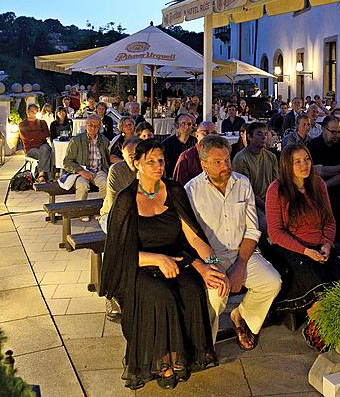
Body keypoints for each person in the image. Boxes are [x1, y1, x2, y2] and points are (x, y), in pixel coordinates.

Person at [99, 139, 228, 390]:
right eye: (150, 162)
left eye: (161, 160)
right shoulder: (126, 200)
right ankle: (161, 360)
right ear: (136, 164)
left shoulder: (174, 190)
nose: (158, 166)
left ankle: (182, 355)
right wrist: (158, 259)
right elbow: (118, 253)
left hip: (177, 259)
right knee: (162, 296)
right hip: (138, 266)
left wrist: (213, 264)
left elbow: (193, 236)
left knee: (191, 289)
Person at [185, 136, 281, 350]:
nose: (225, 166)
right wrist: (213, 266)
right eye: (217, 162)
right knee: (216, 295)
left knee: (271, 281)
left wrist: (240, 265)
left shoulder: (242, 182)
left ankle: (243, 316)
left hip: (242, 252)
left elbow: (252, 229)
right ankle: (204, 347)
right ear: (204, 165)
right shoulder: (191, 190)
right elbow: (192, 237)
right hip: (211, 257)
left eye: (227, 159)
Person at [265, 144, 340, 318]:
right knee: (318, 288)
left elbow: (329, 220)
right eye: (297, 161)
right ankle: (320, 330)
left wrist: (327, 242)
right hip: (292, 249)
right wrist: (305, 251)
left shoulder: (317, 184)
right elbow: (275, 232)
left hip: (320, 245)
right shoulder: (276, 189)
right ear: (287, 165)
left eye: (307, 159)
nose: (304, 165)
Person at [99, 137, 140, 322]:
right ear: (123, 155)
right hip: (113, 215)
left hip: (139, 217)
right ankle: (112, 293)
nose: (134, 159)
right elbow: (117, 205)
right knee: (120, 238)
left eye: (137, 155)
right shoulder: (117, 171)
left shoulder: (148, 167)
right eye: (130, 156)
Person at [307, 115, 340, 239]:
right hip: (316, 189)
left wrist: (326, 184)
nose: (336, 135)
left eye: (339, 132)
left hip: (337, 189)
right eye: (332, 132)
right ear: (323, 129)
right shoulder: (314, 145)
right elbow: (317, 171)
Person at [232, 122, 279, 229]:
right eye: (259, 134)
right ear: (249, 137)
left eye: (265, 134)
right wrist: (266, 206)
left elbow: (276, 183)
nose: (263, 137)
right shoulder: (241, 159)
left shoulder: (271, 157)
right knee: (265, 223)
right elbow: (246, 191)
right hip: (250, 203)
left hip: (270, 200)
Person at [63, 115, 110, 211]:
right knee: (82, 185)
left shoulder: (104, 140)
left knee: (105, 184)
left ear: (100, 127)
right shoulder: (76, 140)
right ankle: (81, 211)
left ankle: (101, 210)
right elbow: (67, 162)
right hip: (81, 171)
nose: (93, 128)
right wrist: (81, 171)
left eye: (96, 126)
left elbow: (108, 158)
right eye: (90, 125)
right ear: (86, 125)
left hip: (99, 170)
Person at [18, 104, 54, 183]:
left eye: (36, 111)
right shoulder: (22, 124)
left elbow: (47, 134)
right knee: (48, 153)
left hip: (43, 146)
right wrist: (39, 135)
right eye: (32, 111)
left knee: (44, 149)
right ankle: (49, 176)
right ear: (28, 112)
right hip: (31, 149)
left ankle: (41, 174)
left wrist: (34, 136)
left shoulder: (42, 122)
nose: (34, 113)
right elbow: (26, 137)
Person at [161, 113, 196, 179]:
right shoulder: (166, 144)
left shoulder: (195, 142)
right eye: (183, 124)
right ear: (176, 125)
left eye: (189, 124)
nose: (187, 126)